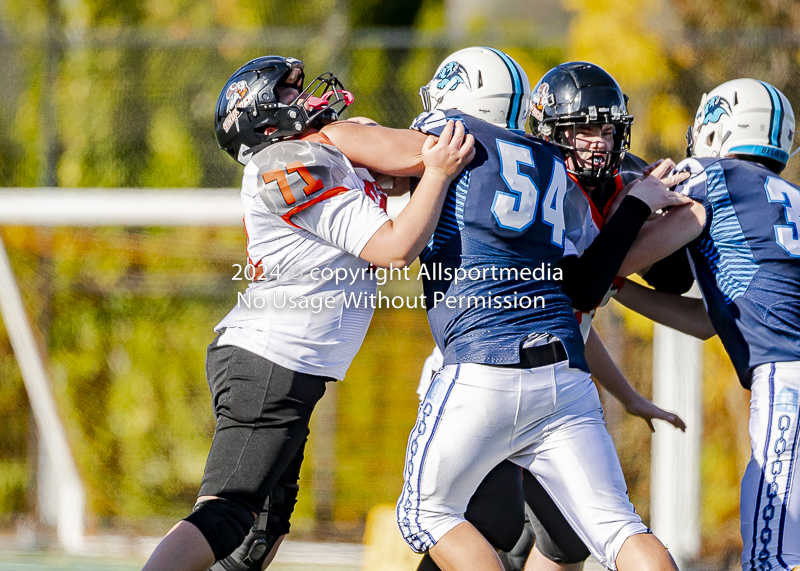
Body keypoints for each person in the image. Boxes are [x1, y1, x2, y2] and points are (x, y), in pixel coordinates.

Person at [140, 55, 475, 571]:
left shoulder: (320, 154)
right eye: (292, 94)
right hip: (269, 359)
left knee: (259, 533)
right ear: (266, 122)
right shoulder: (281, 164)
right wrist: (436, 171)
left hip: (290, 364)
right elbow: (394, 248)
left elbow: (393, 169)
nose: (310, 99)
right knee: (228, 513)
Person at [393, 47, 691, 571]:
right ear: (547, 130)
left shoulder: (598, 182)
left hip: (510, 364)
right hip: (522, 367)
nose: (597, 146)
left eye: (605, 132)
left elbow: (581, 307)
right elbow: (583, 289)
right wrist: (648, 213)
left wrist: (628, 392)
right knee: (505, 524)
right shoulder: (564, 185)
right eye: (581, 131)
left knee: (545, 538)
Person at [642, 78, 800, 571]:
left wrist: (599, 267)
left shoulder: (709, 175)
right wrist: (620, 291)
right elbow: (711, 320)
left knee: (770, 556)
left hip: (787, 380)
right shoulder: (785, 195)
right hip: (785, 370)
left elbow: (650, 249)